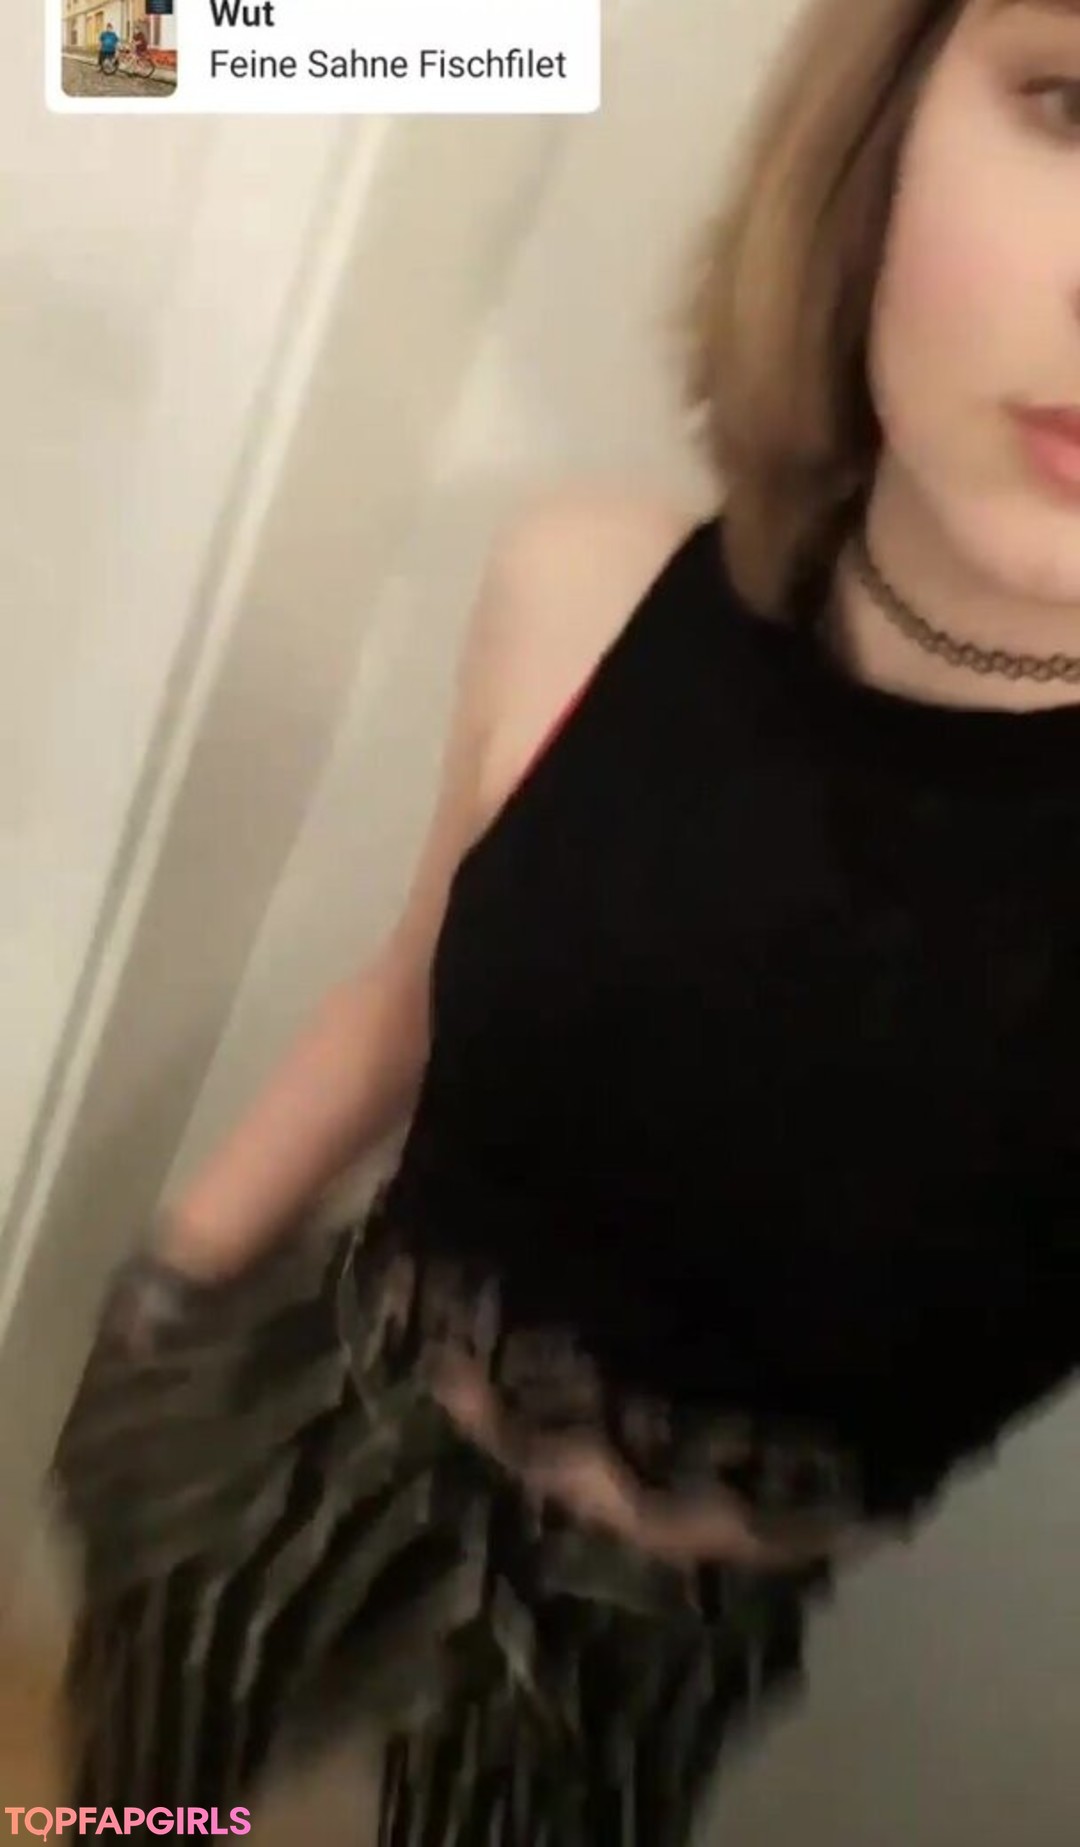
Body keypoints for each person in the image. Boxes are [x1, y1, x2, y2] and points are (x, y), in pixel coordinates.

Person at [52, 0, 1080, 1837]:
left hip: (641, 1648)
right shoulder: (588, 587)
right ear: (881, 125)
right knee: (130, 1808)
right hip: (303, 1437)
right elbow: (412, 991)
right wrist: (161, 1299)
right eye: (1073, 102)